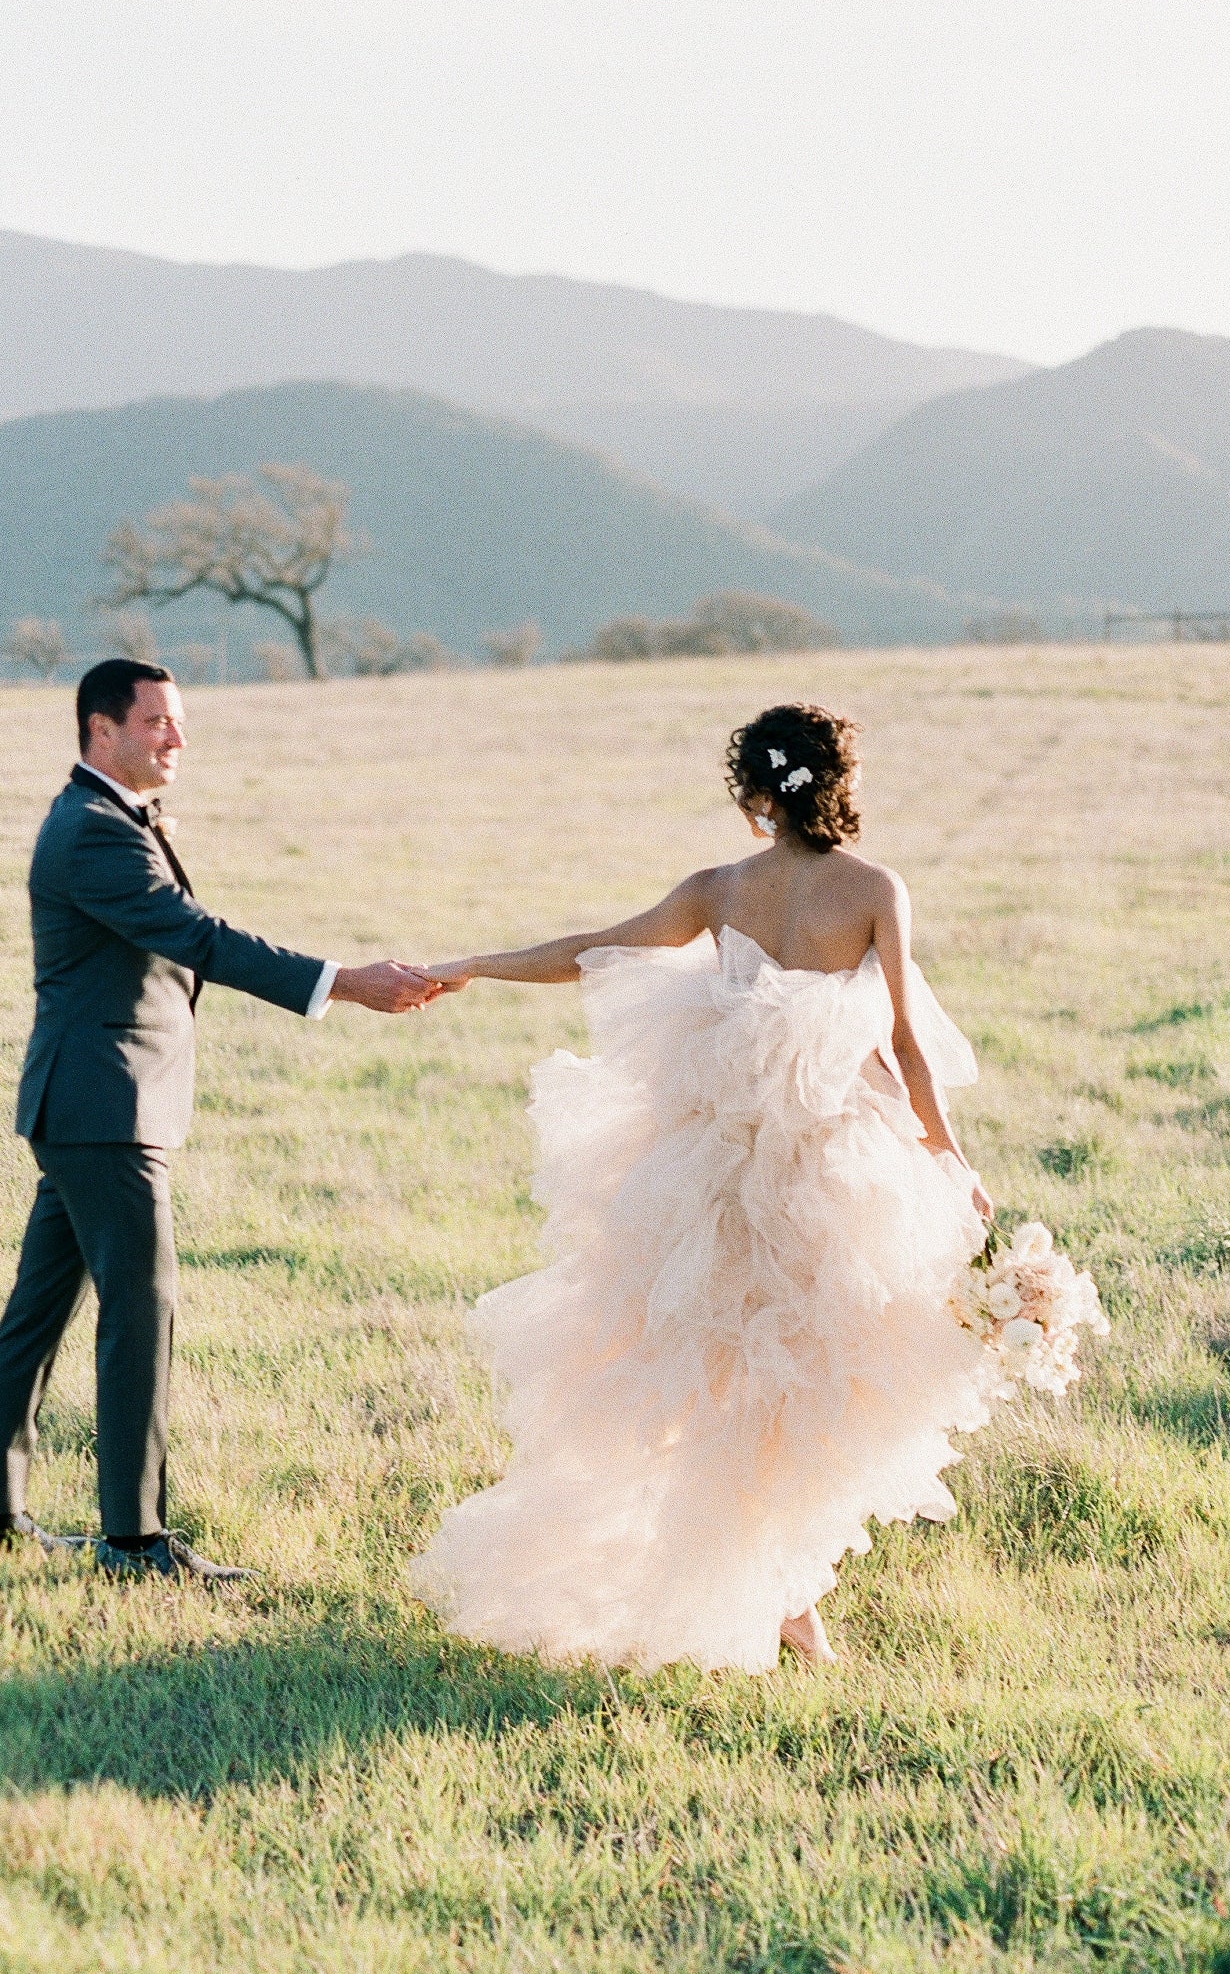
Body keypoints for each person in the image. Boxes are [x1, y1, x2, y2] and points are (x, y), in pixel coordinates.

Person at [411, 701, 998, 1672]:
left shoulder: (719, 889)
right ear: (839, 785)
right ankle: (783, 1598)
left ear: (751, 794)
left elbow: (590, 949)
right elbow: (905, 1045)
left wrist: (472, 966)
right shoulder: (872, 889)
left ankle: (776, 1595)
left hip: (706, 1170)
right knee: (807, 1383)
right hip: (833, 1170)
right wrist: (950, 1158)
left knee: (715, 1380)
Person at [0, 657, 442, 1580]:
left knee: (39, 1311)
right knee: (140, 1314)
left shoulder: (101, 817)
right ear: (101, 730)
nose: (176, 738)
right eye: (156, 723)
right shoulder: (94, 830)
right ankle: (134, 1540)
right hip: (105, 1107)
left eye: (177, 722)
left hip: (90, 1101)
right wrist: (342, 981)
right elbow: (199, 938)